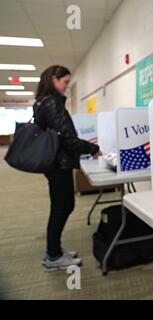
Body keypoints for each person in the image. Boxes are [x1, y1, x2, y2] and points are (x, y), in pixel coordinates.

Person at [33, 65, 102, 271]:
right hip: (58, 164)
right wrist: (93, 148)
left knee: (62, 206)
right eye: (65, 82)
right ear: (53, 79)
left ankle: (54, 250)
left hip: (54, 163)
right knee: (61, 207)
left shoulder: (43, 102)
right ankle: (53, 256)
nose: (67, 86)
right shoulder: (52, 103)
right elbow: (67, 139)